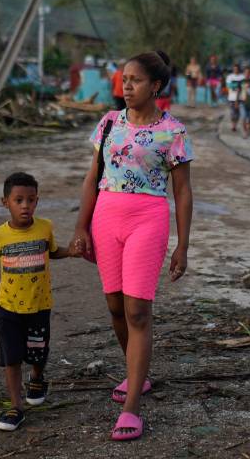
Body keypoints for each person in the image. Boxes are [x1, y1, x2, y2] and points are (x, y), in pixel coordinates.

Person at [70, 50, 194, 441]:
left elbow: (184, 192)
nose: (127, 86)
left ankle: (132, 407)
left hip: (148, 220)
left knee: (138, 310)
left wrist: (183, 245)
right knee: (114, 306)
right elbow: (92, 179)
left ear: (155, 86)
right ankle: (136, 373)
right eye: (124, 79)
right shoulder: (107, 124)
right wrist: (81, 228)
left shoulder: (173, 131)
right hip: (107, 219)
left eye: (135, 80)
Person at [0, 172, 73, 432]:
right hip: (7, 308)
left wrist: (74, 251)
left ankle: (36, 377)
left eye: (31, 200)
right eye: (19, 200)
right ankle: (15, 406)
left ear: (37, 201)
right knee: (11, 357)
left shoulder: (45, 227)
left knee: (38, 352)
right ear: (6, 202)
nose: (25, 206)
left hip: (39, 305)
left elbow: (54, 252)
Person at [224, 63, 245, 132]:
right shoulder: (230, 77)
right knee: (232, 113)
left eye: (237, 69)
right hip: (232, 98)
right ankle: (233, 125)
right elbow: (228, 86)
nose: (236, 70)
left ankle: (235, 125)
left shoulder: (242, 77)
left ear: (239, 69)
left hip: (240, 98)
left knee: (238, 113)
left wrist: (235, 85)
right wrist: (237, 85)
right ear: (233, 69)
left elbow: (244, 86)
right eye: (234, 69)